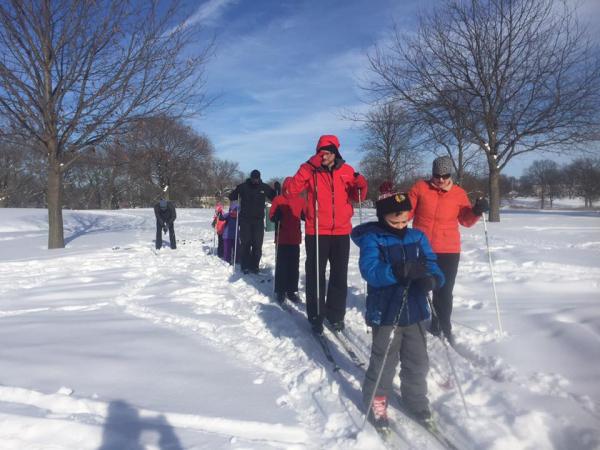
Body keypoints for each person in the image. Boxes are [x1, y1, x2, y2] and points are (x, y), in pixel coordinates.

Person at [351, 185, 445, 431]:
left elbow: (432, 263)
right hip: (386, 312)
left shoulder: (418, 237)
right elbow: (369, 271)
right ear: (383, 217)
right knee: (384, 361)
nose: (402, 224)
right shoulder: (373, 239)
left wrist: (432, 279)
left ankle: (415, 400)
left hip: (415, 311)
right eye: (396, 221)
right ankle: (376, 401)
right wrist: (395, 271)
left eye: (405, 220)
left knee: (418, 360)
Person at [287, 135, 368, 334]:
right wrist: (307, 167)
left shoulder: (347, 171)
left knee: (339, 276)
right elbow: (290, 190)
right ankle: (315, 315)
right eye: (320, 152)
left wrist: (361, 185)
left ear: (335, 152)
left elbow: (357, 197)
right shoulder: (310, 170)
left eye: (328, 152)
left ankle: (336, 315)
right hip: (317, 231)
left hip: (341, 231)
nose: (324, 156)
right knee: (316, 275)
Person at [408, 155, 489, 345]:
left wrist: (477, 211)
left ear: (450, 174)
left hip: (449, 249)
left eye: (445, 175)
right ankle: (412, 321)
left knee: (444, 290)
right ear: (432, 173)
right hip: (423, 247)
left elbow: (466, 221)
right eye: (437, 175)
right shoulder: (420, 188)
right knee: (420, 286)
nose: (441, 180)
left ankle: (442, 325)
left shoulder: (459, 194)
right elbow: (407, 211)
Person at [228, 170, 276, 274]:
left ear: (259, 178)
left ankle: (255, 266)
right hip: (245, 220)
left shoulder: (264, 187)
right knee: (246, 243)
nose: (255, 181)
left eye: (257, 179)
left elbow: (274, 197)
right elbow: (232, 196)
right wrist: (233, 193)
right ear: (251, 178)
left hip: (258, 221)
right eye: (253, 178)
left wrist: (277, 190)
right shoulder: (244, 186)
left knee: (257, 244)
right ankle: (245, 265)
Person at [269, 177, 306, 304]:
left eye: (293, 188)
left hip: (295, 238)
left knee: (294, 267)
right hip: (282, 238)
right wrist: (276, 216)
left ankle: (291, 290)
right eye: (288, 188)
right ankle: (280, 290)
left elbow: (305, 215)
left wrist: (307, 214)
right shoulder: (278, 200)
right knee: (281, 266)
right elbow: (271, 216)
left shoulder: (300, 200)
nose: (290, 190)